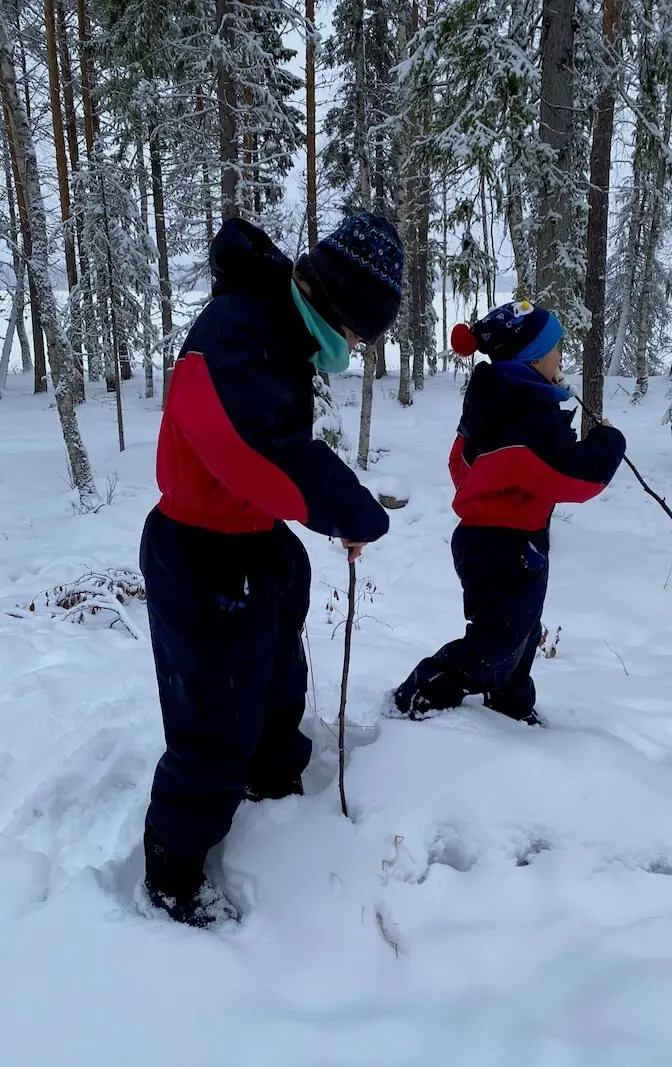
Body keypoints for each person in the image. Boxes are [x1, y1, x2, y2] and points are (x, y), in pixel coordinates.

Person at [139, 213, 403, 928]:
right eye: (357, 335)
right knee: (212, 720)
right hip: (199, 554)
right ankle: (175, 869)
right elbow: (262, 450)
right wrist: (351, 510)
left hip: (251, 542)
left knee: (276, 664)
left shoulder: (279, 330)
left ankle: (273, 769)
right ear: (339, 310)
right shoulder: (238, 330)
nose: (351, 351)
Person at [393, 299, 626, 725]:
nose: (562, 357)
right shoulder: (525, 418)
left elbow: (459, 463)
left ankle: (511, 706)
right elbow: (574, 478)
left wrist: (495, 488)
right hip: (503, 545)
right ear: (533, 359)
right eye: (556, 348)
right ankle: (422, 691)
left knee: (522, 630)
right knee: (497, 642)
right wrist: (608, 445)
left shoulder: (497, 405)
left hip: (505, 539)